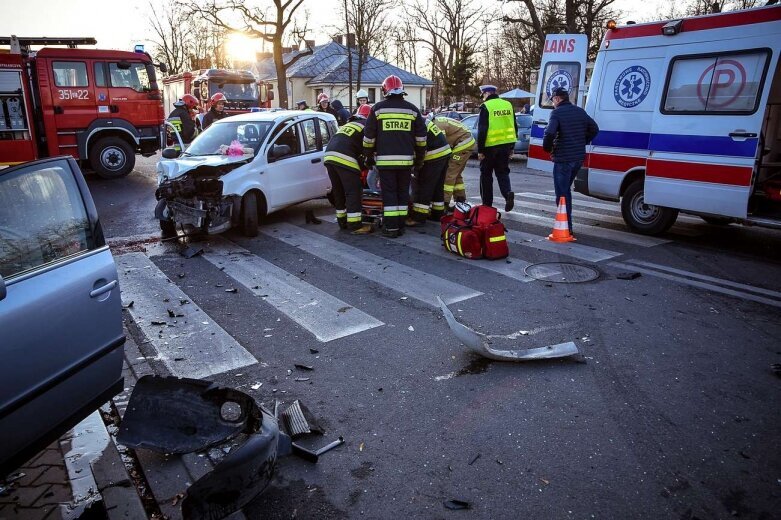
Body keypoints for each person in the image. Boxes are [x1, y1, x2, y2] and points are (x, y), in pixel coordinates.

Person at [363, 75, 427, 238]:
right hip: (406, 162)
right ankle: (401, 225)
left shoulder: (377, 109)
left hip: (385, 163)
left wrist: (368, 157)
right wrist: (419, 160)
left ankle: (391, 228)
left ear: (385, 90)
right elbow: (421, 139)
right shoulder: (413, 110)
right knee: (402, 192)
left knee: (390, 193)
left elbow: (369, 138)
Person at [542, 86, 599, 234]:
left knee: (561, 193)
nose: (553, 103)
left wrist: (547, 148)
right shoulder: (580, 111)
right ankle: (567, 224)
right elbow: (595, 129)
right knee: (566, 190)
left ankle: (566, 227)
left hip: (563, 158)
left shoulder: (556, 113)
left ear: (557, 99)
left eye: (553, 100)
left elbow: (549, 134)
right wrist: (582, 142)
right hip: (578, 158)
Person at [324, 103, 373, 234]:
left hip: (329, 156)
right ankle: (355, 225)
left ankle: (342, 221)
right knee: (354, 190)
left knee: (338, 190)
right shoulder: (367, 125)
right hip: (344, 157)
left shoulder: (349, 124)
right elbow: (369, 147)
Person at [477, 84, 517, 211]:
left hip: (490, 147)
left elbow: (482, 130)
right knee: (503, 173)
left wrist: (480, 150)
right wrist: (512, 147)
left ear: (487, 93)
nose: (483, 98)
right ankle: (507, 194)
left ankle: (487, 204)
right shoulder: (508, 105)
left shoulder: (486, 106)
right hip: (505, 146)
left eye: (483, 95)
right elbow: (514, 126)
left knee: (486, 175)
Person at [407, 120, 451, 226]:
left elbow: (419, 146)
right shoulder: (418, 119)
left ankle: (418, 217)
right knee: (437, 186)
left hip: (433, 155)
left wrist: (415, 164)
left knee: (423, 185)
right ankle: (437, 213)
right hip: (444, 152)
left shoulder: (413, 123)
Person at [431, 116, 474, 207]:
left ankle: (444, 202)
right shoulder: (438, 121)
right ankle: (460, 199)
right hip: (466, 141)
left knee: (449, 173)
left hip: (463, 143)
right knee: (456, 173)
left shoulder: (437, 126)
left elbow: (441, 144)